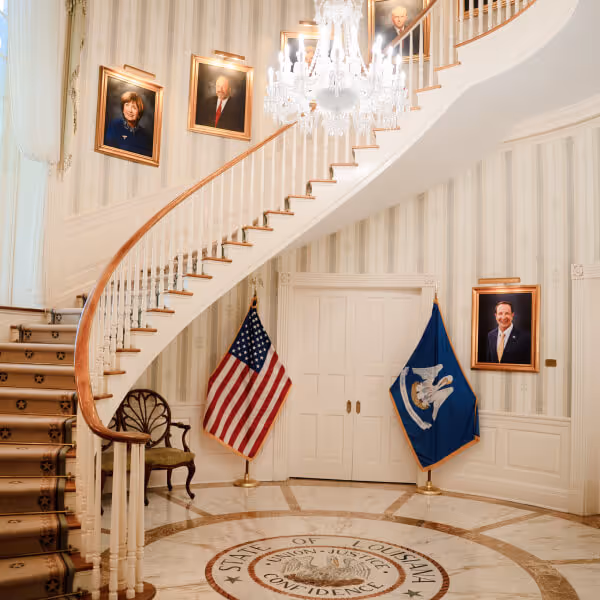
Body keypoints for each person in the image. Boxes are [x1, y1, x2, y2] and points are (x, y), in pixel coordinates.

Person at [104, 91, 153, 157]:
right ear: (123, 110)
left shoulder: (146, 137)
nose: (130, 110)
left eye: (134, 107)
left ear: (139, 113)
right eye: (127, 105)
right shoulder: (114, 126)